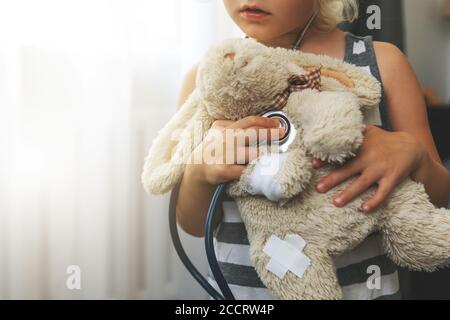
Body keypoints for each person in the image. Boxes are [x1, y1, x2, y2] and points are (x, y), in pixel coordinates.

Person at [174, 0, 450, 300]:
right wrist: (199, 173)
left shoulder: (383, 64)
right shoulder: (209, 80)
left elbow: (439, 193)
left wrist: (412, 154)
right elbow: (192, 224)